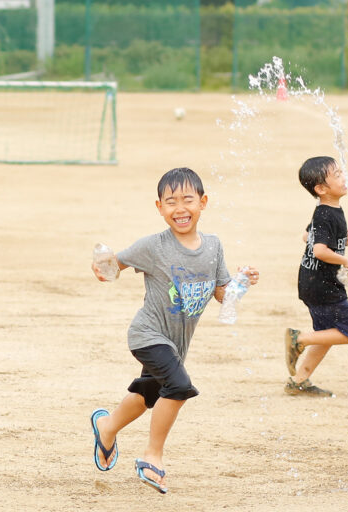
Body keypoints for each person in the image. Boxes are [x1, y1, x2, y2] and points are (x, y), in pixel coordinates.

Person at [89, 167, 259, 493]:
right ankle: (152, 456)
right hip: (147, 335)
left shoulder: (213, 246)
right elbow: (113, 265)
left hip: (176, 344)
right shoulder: (154, 246)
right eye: (171, 202)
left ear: (203, 202)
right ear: (159, 207)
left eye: (187, 200)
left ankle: (106, 427)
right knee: (179, 386)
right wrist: (102, 267)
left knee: (148, 395)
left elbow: (222, 295)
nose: (180, 209)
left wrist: (240, 283)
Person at [284, 156, 348, 397]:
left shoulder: (330, 211)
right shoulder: (325, 214)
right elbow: (320, 251)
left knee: (326, 334)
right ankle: (298, 339)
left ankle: (299, 381)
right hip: (322, 285)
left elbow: (307, 237)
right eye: (338, 175)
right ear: (321, 189)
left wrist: (341, 240)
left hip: (315, 282)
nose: (344, 178)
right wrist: (346, 259)